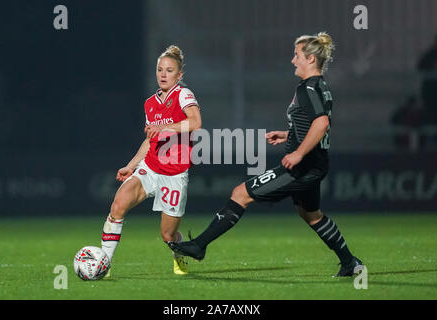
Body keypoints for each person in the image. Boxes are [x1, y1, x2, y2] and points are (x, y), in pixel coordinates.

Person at [169, 32, 364, 277]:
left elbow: (322, 123)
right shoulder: (320, 86)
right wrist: (288, 134)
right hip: (315, 164)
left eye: (297, 56)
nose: (293, 61)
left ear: (311, 59)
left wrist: (298, 153)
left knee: (240, 194)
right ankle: (350, 263)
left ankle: (199, 245)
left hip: (302, 167)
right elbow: (312, 123)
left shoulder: (309, 88)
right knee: (311, 215)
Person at [101, 45, 202, 276]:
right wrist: (131, 165)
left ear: (179, 75)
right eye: (159, 70)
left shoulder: (183, 95)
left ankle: (179, 254)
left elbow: (195, 122)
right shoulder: (150, 103)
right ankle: (103, 263)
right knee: (118, 205)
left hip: (174, 174)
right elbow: (151, 140)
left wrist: (163, 127)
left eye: (169, 70)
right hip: (151, 168)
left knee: (167, 235)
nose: (163, 74)